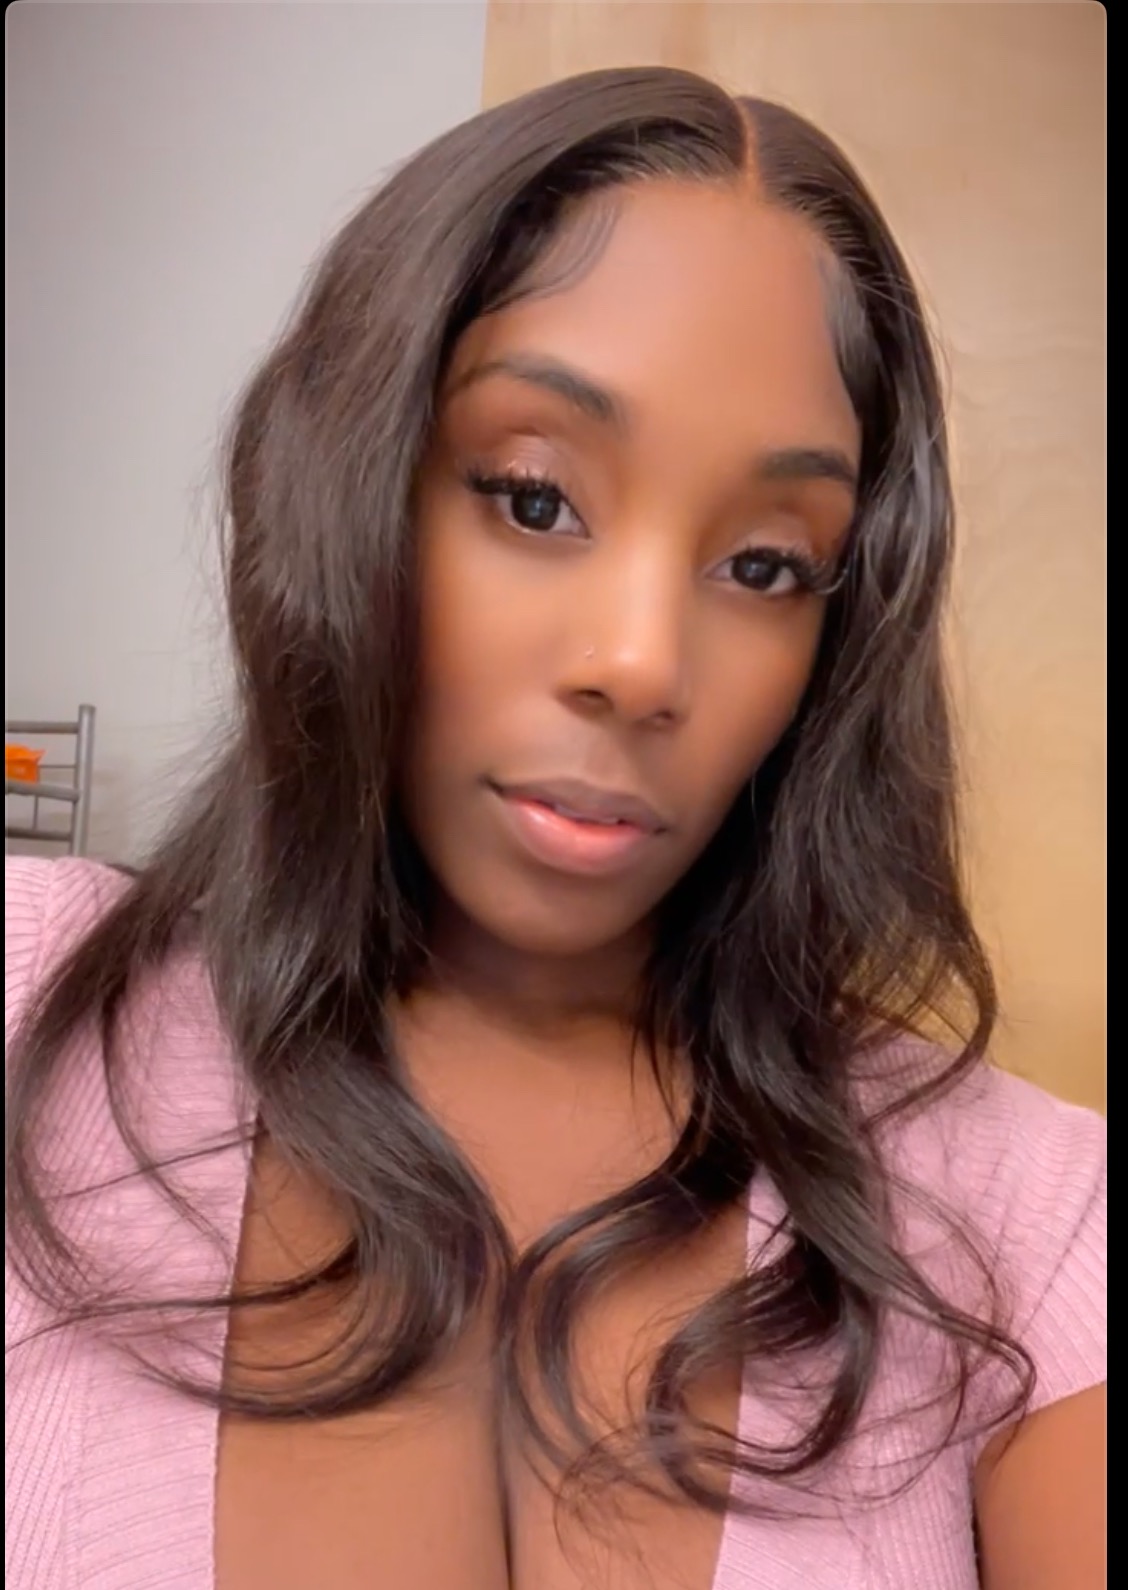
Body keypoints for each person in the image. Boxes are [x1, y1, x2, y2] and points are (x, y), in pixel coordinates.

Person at [5, 66, 1105, 1590]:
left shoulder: (1031, 1219)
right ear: (353, 486)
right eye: (533, 498)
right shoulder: (29, 1004)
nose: (643, 664)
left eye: (766, 565)